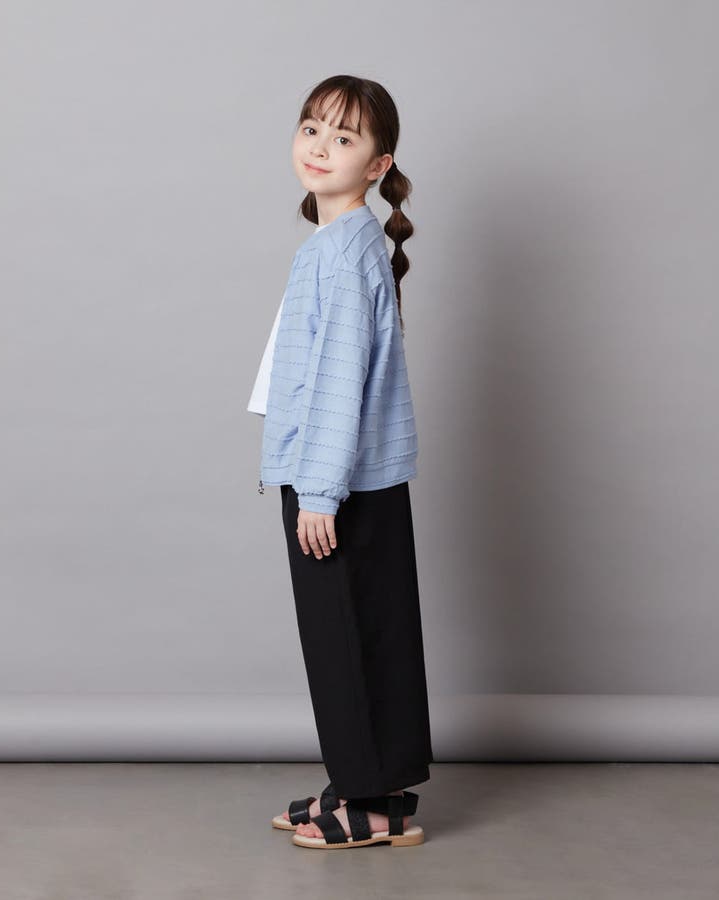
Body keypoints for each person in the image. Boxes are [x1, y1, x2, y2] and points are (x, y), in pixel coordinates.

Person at [247, 75, 433, 850]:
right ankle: (366, 784)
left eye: (345, 137)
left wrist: (319, 492)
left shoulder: (340, 252)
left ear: (378, 164)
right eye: (312, 128)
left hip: (338, 483)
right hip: (353, 476)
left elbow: (338, 378)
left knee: (346, 640)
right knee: (367, 633)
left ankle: (369, 805)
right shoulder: (341, 243)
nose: (321, 146)